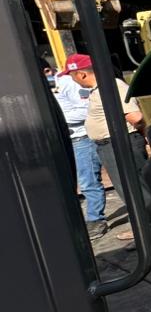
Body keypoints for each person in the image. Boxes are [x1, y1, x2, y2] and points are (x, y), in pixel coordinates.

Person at [64, 54, 148, 242]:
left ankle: (150, 231)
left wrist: (142, 135)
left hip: (119, 144)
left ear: (81, 74)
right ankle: (146, 229)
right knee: (128, 190)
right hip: (111, 145)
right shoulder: (99, 90)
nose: (72, 79)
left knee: (136, 190)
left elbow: (135, 117)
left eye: (72, 75)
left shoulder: (112, 87)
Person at [52, 56, 107, 239]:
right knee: (85, 180)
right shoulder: (64, 81)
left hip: (82, 137)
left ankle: (96, 220)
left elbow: (86, 109)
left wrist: (59, 119)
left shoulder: (70, 82)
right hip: (73, 138)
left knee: (88, 180)